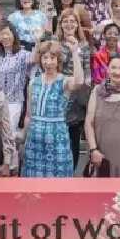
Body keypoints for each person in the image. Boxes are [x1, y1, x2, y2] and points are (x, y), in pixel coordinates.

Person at [20, 39, 86, 178]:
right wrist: (22, 141)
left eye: (52, 58)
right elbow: (28, 115)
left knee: (58, 182)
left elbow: (79, 81)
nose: (48, 62)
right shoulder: (33, 82)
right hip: (34, 140)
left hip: (57, 138)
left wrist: (74, 52)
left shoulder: (64, 81)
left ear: (58, 60)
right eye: (45, 58)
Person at [83, 53, 120, 178]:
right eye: (113, 67)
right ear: (107, 69)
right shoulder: (97, 91)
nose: (117, 72)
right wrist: (93, 150)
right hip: (100, 156)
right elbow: (89, 123)